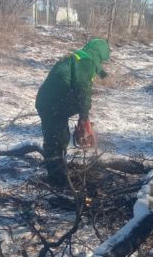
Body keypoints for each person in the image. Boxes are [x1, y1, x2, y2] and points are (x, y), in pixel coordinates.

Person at [35, 37, 110, 187]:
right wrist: (84, 117)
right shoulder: (85, 61)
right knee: (55, 138)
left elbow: (77, 87)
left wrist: (83, 117)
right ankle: (56, 178)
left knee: (61, 136)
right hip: (51, 104)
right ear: (99, 54)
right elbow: (83, 89)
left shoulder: (79, 56)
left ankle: (59, 171)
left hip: (52, 102)